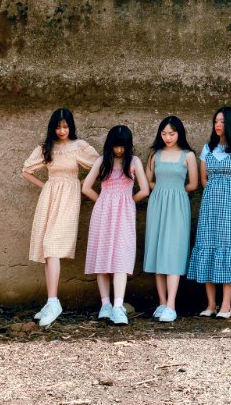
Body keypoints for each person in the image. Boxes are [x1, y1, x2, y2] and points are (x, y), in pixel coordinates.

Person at [21, 108, 98, 327]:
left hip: (68, 199)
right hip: (49, 197)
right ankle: (51, 301)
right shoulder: (46, 148)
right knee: (47, 249)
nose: (62, 130)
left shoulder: (79, 147)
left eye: (65, 126)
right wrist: (44, 185)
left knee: (53, 246)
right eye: (58, 126)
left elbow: (99, 165)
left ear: (71, 126)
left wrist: (81, 184)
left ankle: (54, 302)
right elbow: (26, 170)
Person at [187, 106, 231, 318]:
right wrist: (214, 196)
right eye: (216, 121)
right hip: (210, 207)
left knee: (229, 249)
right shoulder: (208, 148)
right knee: (208, 247)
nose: (218, 125)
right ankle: (210, 304)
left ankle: (226, 305)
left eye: (222, 121)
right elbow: (204, 178)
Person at [82, 125, 149, 325]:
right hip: (102, 214)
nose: (119, 150)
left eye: (123, 146)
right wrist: (103, 201)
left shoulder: (135, 162)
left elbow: (144, 190)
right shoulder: (102, 161)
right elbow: (86, 187)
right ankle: (105, 305)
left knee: (121, 257)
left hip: (124, 216)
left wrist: (128, 202)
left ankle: (118, 305)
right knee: (102, 258)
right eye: (116, 146)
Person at [143, 116, 198, 322]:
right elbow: (147, 180)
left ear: (179, 134)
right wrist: (159, 191)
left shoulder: (188, 156)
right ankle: (162, 302)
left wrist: (174, 192)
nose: (167, 137)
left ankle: (172, 305)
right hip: (157, 204)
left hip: (178, 205)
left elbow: (193, 184)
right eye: (164, 133)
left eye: (172, 133)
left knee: (173, 251)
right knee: (157, 250)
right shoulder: (154, 154)